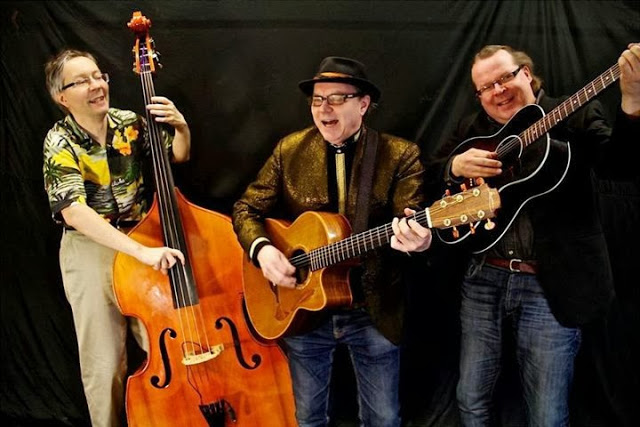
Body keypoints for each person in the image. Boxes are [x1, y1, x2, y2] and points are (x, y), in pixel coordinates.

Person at [431, 44, 640, 426]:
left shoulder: (575, 112)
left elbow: (621, 168)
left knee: (547, 412)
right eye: (485, 87)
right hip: (483, 277)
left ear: (526, 73)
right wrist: (454, 165)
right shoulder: (473, 129)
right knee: (470, 398)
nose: (497, 91)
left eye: (505, 77)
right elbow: (431, 174)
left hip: (552, 283)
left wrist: (632, 103)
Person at [232, 56, 433, 426]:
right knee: (308, 417)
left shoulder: (400, 155)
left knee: (383, 419)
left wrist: (418, 242)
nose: (324, 109)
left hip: (372, 308)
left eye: (337, 98)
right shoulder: (289, 150)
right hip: (301, 309)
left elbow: (411, 218)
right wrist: (263, 250)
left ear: (363, 104)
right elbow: (246, 209)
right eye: (317, 100)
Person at [42, 49, 191, 427]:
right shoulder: (59, 141)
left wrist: (181, 128)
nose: (96, 86)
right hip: (90, 250)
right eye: (82, 81)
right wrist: (140, 252)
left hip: (143, 239)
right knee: (105, 364)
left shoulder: (129, 123)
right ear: (62, 97)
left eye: (99, 76)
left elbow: (175, 157)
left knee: (169, 346)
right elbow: (74, 211)